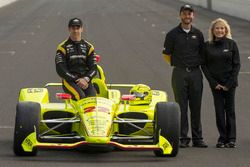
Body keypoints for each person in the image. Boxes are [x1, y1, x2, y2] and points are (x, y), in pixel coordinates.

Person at [162, 4, 207, 148]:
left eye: (190, 14)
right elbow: (166, 54)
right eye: (184, 14)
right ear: (180, 15)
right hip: (179, 73)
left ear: (193, 16)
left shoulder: (198, 34)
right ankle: (183, 138)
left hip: (195, 74)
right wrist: (179, 64)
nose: (187, 16)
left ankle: (198, 138)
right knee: (181, 107)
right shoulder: (172, 34)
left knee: (196, 106)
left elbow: (202, 53)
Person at [202, 18, 241, 148]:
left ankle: (231, 139)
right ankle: (222, 138)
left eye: (222, 28)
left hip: (230, 84)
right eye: (217, 28)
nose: (220, 30)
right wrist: (214, 83)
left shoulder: (231, 44)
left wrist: (229, 84)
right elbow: (204, 66)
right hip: (216, 85)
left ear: (226, 30)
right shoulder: (207, 45)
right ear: (213, 31)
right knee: (219, 111)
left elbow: (237, 65)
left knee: (230, 111)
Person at [55, 18, 97, 100]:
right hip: (69, 81)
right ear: (69, 29)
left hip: (85, 81)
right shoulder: (62, 47)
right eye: (73, 28)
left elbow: (94, 68)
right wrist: (77, 79)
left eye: (78, 28)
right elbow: (60, 69)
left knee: (92, 100)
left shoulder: (89, 47)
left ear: (82, 29)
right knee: (80, 96)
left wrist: (85, 79)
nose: (75, 31)